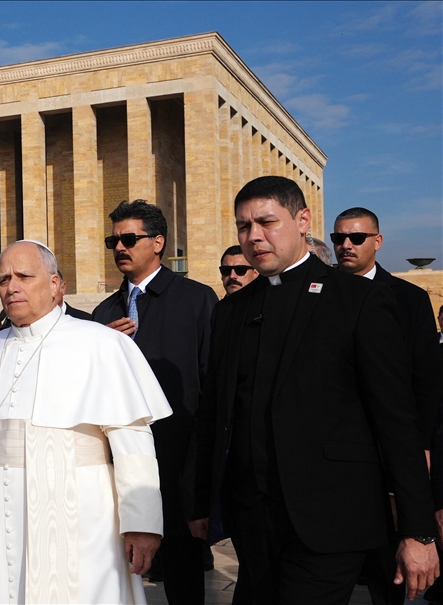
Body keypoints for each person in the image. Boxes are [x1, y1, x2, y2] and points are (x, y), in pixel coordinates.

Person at [191, 176, 439, 604]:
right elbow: (215, 411)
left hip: (331, 519)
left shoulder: (358, 299)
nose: (254, 237)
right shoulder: (231, 311)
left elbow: (396, 419)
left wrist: (418, 530)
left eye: (267, 222)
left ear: (303, 220)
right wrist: (200, 502)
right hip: (252, 521)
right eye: (244, 226)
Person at [0, 240, 172, 604]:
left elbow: (133, 444)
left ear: (56, 284)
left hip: (84, 516)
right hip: (6, 518)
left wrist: (142, 524)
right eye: (4, 279)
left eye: (24, 276)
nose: (12, 287)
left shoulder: (101, 344)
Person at [92, 199, 218, 604]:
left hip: (179, 464)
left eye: (129, 239)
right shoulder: (103, 313)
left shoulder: (196, 300)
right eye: (113, 240)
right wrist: (104, 348)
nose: (119, 247)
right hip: (121, 465)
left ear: (158, 242)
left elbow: (211, 386)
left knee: (182, 572)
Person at [332, 206, 443, 605]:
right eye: (339, 238)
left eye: (356, 238)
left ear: (377, 241)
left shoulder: (409, 299)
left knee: (387, 564)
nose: (346, 245)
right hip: (337, 449)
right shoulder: (320, 294)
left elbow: (425, 381)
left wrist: (421, 446)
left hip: (390, 448)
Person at [0, 269, 89, 331]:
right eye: (4, 280)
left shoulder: (87, 321)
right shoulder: (9, 329)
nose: (11, 288)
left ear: (60, 287)